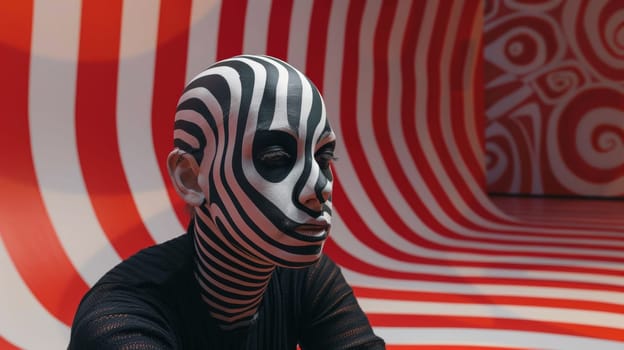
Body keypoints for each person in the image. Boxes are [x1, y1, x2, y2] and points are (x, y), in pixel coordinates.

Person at [68, 54, 386, 349]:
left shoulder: (304, 277)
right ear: (191, 178)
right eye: (276, 158)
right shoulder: (118, 319)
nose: (319, 186)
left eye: (323, 158)